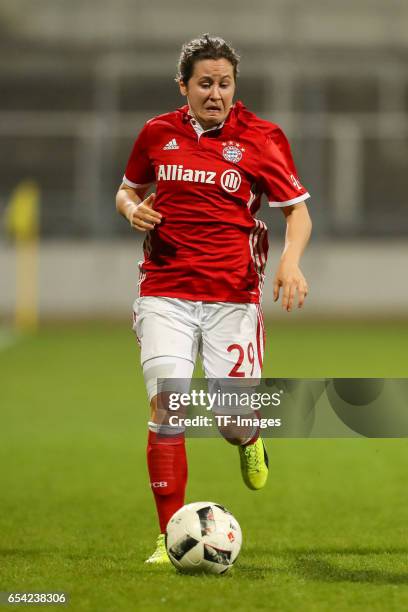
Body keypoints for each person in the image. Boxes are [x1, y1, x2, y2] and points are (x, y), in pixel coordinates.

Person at [115, 34, 312, 564]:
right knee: (167, 408)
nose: (216, 93)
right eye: (205, 83)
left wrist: (290, 262)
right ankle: (167, 538)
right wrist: (131, 209)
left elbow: (297, 211)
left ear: (234, 86)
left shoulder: (262, 138)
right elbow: (127, 188)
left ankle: (248, 439)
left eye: (225, 83)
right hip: (165, 291)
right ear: (184, 86)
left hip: (233, 298)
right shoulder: (157, 134)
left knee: (230, 418)